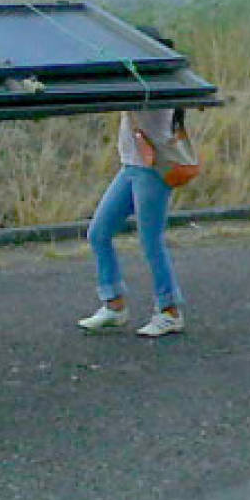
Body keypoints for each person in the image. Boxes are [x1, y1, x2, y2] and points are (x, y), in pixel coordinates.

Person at [78, 28, 187, 337]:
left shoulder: (154, 84)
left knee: (151, 241)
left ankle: (169, 310)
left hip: (150, 171)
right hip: (132, 168)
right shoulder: (144, 80)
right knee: (99, 232)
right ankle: (113, 304)